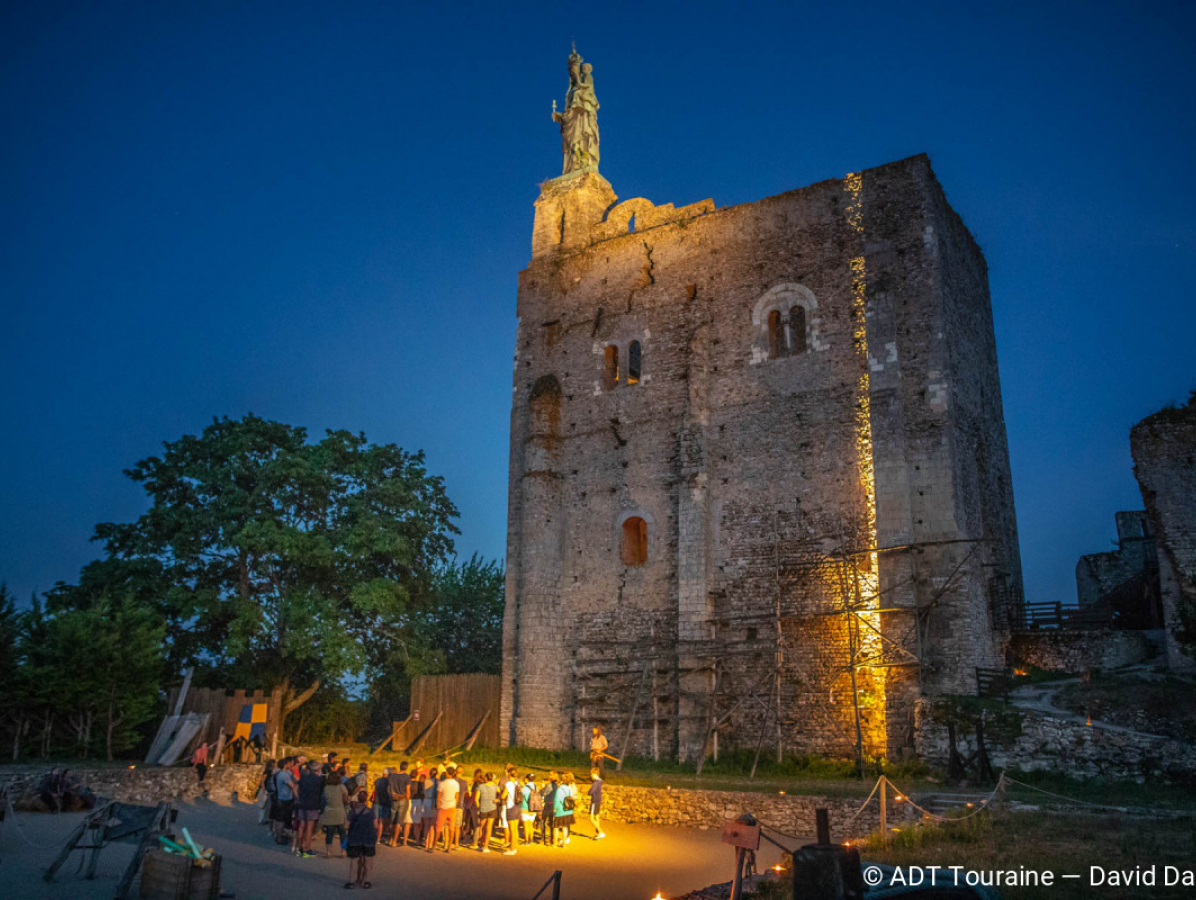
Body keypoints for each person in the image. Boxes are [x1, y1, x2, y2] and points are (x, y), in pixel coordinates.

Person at [345, 791, 377, 889]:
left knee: (354, 860)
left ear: (358, 799)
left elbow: (346, 825)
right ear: (366, 800)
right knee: (368, 860)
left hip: (355, 837)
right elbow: (375, 825)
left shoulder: (353, 812)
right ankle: (367, 881)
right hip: (369, 838)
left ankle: (351, 881)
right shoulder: (371, 812)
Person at [295, 761, 324, 857]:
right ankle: (306, 849)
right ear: (318, 769)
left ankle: (299, 848)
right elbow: (321, 793)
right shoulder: (319, 780)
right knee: (309, 827)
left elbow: (296, 788)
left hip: (302, 803)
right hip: (312, 805)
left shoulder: (303, 778)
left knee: (301, 826)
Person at [319, 771, 350, 858]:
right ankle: (343, 851)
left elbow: (324, 799)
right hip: (340, 811)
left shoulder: (326, 788)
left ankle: (329, 852)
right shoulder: (342, 787)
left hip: (329, 811)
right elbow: (345, 800)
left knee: (329, 833)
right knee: (343, 833)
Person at [433, 765, 460, 853]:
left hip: (443, 807)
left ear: (447, 773)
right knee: (451, 828)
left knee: (438, 828)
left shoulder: (442, 784)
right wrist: (454, 805)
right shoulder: (456, 784)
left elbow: (439, 797)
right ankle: (449, 847)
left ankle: (434, 847)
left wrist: (438, 807)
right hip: (452, 807)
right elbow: (457, 797)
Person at [387, 761, 413, 847]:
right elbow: (408, 791)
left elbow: (389, 788)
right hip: (403, 800)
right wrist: (407, 799)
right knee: (398, 822)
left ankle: (390, 840)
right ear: (406, 768)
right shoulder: (407, 777)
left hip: (394, 799)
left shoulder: (392, 776)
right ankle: (394, 841)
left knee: (392, 821)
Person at [273, 756, 297, 845]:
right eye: (291, 763)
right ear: (286, 764)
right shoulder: (284, 775)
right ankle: (278, 838)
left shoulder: (284, 773)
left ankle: (279, 835)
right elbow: (293, 786)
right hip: (284, 800)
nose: (292, 765)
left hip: (284, 798)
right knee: (281, 820)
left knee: (282, 819)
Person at [473, 772, 498, 852]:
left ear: (486, 778)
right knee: (489, 828)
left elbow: (476, 799)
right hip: (492, 808)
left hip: (483, 808)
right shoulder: (495, 787)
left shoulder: (480, 786)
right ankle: (486, 846)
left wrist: (478, 807)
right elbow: (501, 793)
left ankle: (481, 845)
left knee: (482, 827)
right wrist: (498, 799)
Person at [553, 772, 577, 847]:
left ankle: (555, 844)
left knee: (556, 827)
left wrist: (554, 809)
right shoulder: (569, 789)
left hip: (560, 811)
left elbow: (557, 800)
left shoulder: (559, 789)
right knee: (565, 827)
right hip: (568, 811)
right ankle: (564, 843)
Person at [501, 766, 520, 855]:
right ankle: (514, 847)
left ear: (509, 774)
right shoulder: (517, 783)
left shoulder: (508, 784)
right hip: (517, 806)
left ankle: (512, 849)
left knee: (512, 830)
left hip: (511, 806)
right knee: (515, 829)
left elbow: (503, 796)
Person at [373, 768, 393, 843]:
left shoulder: (378, 780)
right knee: (382, 821)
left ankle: (374, 836)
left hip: (376, 801)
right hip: (385, 802)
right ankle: (378, 837)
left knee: (375, 820)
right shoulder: (388, 782)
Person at [520, 773, 539, 846]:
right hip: (534, 808)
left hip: (525, 807)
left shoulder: (525, 788)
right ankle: (531, 839)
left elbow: (522, 797)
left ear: (527, 779)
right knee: (531, 824)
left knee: (525, 824)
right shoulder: (535, 787)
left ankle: (526, 840)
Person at [588, 768, 606, 839]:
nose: (591, 776)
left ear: (594, 774)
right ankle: (599, 833)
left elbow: (590, 791)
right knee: (597, 816)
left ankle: (601, 832)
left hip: (594, 801)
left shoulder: (595, 783)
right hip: (598, 800)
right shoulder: (600, 781)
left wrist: (589, 791)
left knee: (591, 818)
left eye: (591, 774)